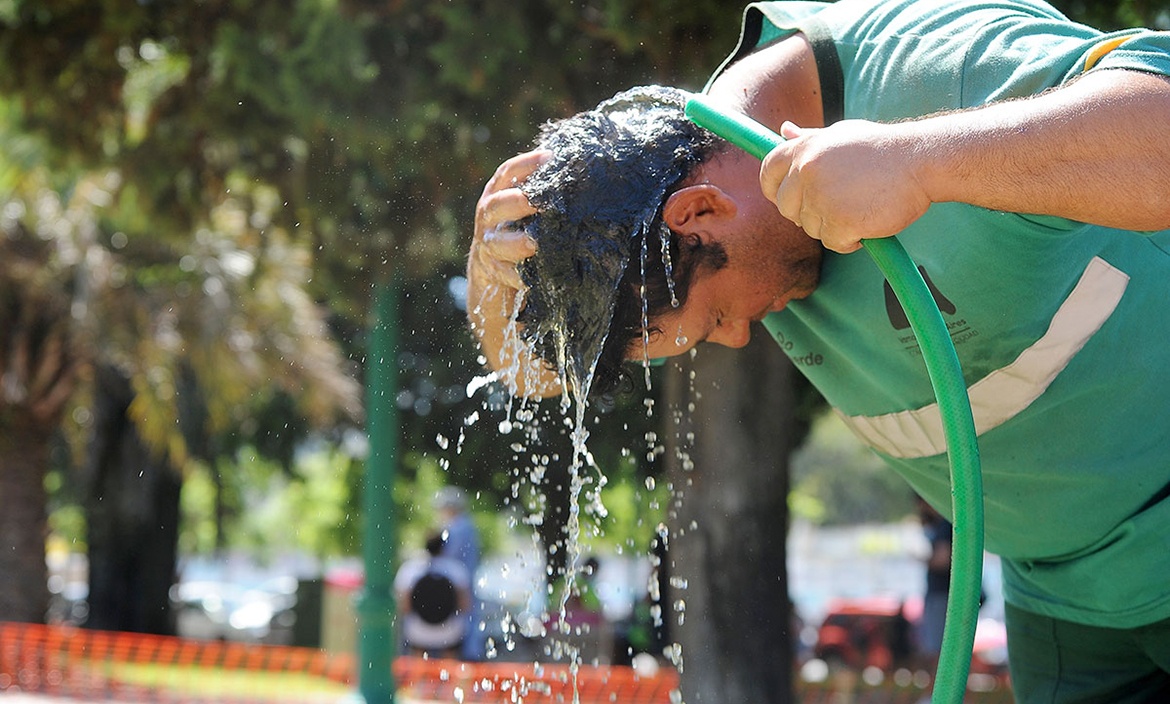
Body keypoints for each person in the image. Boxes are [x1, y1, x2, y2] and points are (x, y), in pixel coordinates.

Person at [465, 0, 1170, 701]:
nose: (741, 337)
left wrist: (920, 162)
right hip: (1063, 602)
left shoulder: (924, 62)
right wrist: (490, 275)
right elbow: (532, 376)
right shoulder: (676, 224)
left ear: (702, 212)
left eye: (713, 322)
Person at [394, 532, 472, 658]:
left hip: (417, 632)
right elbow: (465, 606)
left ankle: (418, 676)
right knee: (450, 667)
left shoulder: (410, 569)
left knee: (417, 666)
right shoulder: (456, 569)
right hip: (450, 633)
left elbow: (404, 607)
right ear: (443, 547)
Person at [433, 486, 484, 660]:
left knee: (457, 620)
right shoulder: (467, 526)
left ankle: (467, 655)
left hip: (457, 582)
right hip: (464, 580)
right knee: (467, 618)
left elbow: (449, 555)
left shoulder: (456, 528)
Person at [916, 495, 952, 676]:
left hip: (942, 596)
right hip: (939, 596)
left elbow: (942, 559)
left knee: (940, 651)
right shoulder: (937, 525)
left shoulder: (946, 524)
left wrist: (919, 558)